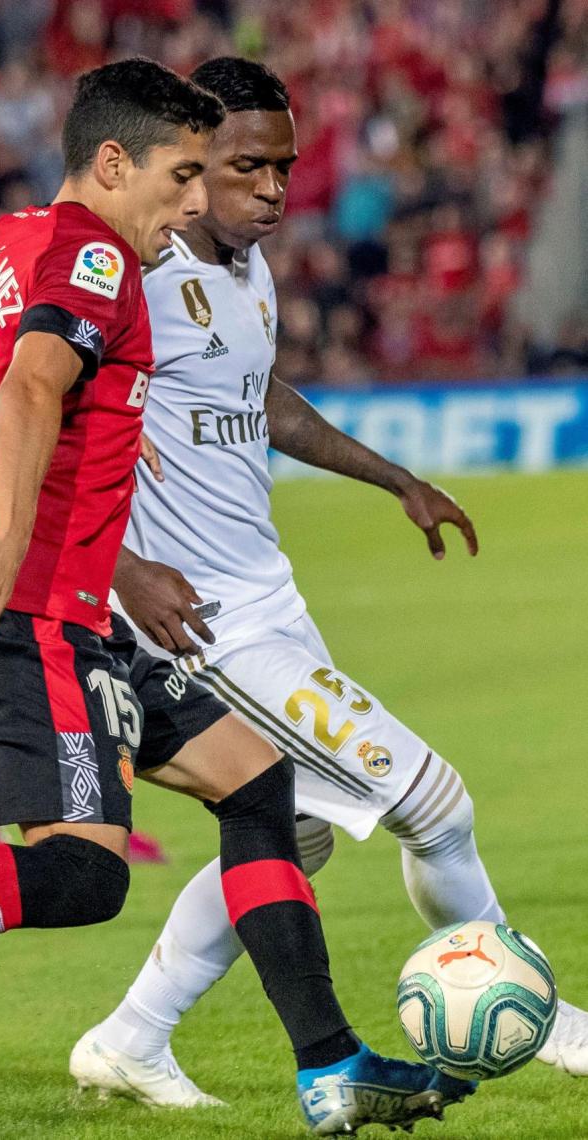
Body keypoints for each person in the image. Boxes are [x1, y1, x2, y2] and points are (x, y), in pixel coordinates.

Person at [0, 58, 472, 1136]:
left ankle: (331, 1066)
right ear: (114, 163)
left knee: (256, 785)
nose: (192, 202)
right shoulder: (98, 258)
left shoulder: (3, 240)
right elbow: (35, 380)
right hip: (26, 607)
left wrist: (87, 454)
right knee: (83, 877)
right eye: (181, 177)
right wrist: (11, 533)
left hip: (72, 608)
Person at [69, 56, 588, 1105]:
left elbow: (262, 399)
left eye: (284, 167)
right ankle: (543, 1019)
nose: (272, 190)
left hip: (270, 601)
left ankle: (129, 1038)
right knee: (430, 800)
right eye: (245, 168)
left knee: (291, 835)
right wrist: (121, 563)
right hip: (203, 626)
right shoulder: (130, 273)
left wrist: (397, 479)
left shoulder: (245, 270)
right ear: (187, 162)